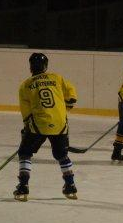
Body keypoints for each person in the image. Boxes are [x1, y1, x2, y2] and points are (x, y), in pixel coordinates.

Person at [15, 53, 78, 201]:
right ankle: (70, 185)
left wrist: (27, 127)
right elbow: (71, 94)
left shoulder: (25, 85)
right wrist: (66, 106)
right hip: (60, 123)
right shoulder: (56, 78)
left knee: (25, 153)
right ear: (46, 66)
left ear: (30, 67)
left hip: (39, 125)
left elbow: (26, 111)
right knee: (62, 155)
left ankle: (23, 186)